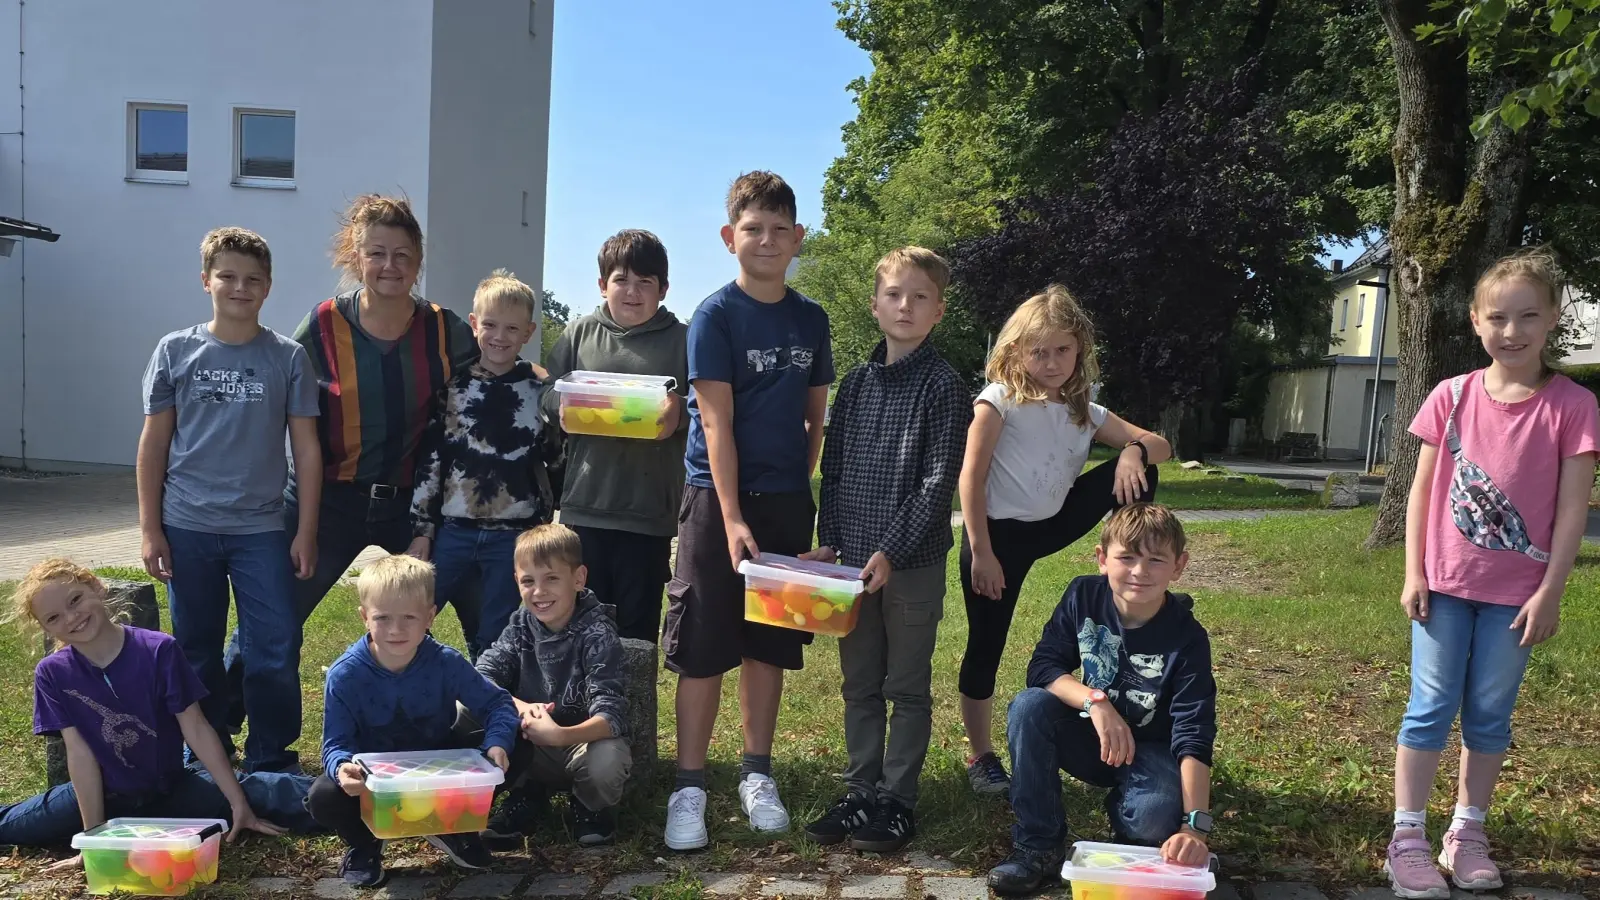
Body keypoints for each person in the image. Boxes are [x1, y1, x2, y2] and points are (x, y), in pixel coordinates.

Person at [222, 195, 479, 767]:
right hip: (328, 500)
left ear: (418, 261)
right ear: (355, 257)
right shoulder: (320, 326)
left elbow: (491, 382)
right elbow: (286, 412)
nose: (390, 266)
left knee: (484, 606)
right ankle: (227, 738)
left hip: (412, 507)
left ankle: (504, 737)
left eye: (403, 255)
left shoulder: (444, 329)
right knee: (271, 621)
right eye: (377, 254)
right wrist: (299, 523)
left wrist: (548, 387)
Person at [1383, 250, 1598, 900]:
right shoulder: (1450, 396)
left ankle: (1467, 832)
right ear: (1476, 321)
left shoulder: (1573, 405)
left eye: (1528, 316)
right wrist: (1412, 571)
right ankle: (1407, 837)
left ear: (1553, 318)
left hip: (1517, 598)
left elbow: (1571, 510)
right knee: (1429, 708)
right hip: (1442, 587)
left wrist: (1551, 590)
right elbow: (1421, 492)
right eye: (1498, 317)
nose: (1513, 330)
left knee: (1488, 714)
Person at [662, 171, 833, 851]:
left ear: (797, 238)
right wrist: (733, 517)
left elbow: (816, 412)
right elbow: (715, 424)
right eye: (752, 229)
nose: (765, 240)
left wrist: (800, 480)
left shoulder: (811, 318)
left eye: (778, 229)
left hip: (786, 503)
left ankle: (756, 774)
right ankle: (689, 785)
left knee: (769, 642)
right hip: (715, 503)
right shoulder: (716, 316)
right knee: (703, 645)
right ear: (731, 237)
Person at [956, 285, 1169, 795]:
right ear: (1016, 351)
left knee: (1144, 471)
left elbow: (1160, 444)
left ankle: (1123, 563)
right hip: (998, 538)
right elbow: (970, 478)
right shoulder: (1000, 401)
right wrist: (981, 553)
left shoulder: (1085, 410)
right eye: (1038, 351)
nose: (1051, 363)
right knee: (987, 643)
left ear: (1080, 350)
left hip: (1051, 523)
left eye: (1062, 350)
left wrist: (1132, 451)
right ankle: (981, 757)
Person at [800, 247, 971, 853]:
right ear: (875, 306)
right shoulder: (856, 383)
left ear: (938, 311)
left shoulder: (944, 387)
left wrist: (891, 551)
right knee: (859, 683)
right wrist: (835, 542)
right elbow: (836, 468)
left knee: (906, 685)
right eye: (895, 295)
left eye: (920, 297)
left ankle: (897, 800)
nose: (906, 306)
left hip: (912, 566)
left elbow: (936, 481)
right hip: (852, 565)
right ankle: (859, 790)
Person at [136, 226, 321, 773]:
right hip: (187, 525)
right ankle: (206, 751)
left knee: (275, 644)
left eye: (253, 280)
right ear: (206, 280)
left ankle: (271, 756)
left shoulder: (287, 358)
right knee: (196, 646)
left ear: (268, 288)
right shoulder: (175, 350)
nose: (240, 287)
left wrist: (304, 530)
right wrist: (150, 528)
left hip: (261, 528)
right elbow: (153, 444)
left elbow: (306, 451)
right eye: (228, 276)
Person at [0, 559, 314, 862]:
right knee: (12, 827)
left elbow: (196, 729)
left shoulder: (158, 650)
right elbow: (79, 755)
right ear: (44, 628)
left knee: (261, 796)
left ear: (97, 587)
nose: (71, 618)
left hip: (173, 791)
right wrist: (94, 838)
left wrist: (237, 803)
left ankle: (347, 793)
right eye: (53, 618)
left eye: (75, 600)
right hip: (100, 798)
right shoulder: (52, 673)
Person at [988, 505, 1216, 895]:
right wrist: (1096, 702)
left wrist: (1194, 826)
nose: (1139, 572)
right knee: (1029, 706)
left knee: (1150, 822)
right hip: (1095, 738)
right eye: (1126, 557)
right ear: (1102, 559)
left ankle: (1128, 814)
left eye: (1155, 560)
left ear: (1179, 566)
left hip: (1153, 750)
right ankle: (1038, 844)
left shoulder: (1188, 638)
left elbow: (1193, 732)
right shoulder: (1083, 595)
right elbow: (1044, 667)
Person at [305, 554, 519, 888]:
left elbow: (498, 704)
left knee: (519, 745)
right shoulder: (344, 674)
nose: (396, 629)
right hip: (375, 778)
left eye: (409, 617)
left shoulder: (446, 661)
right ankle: (365, 844)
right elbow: (335, 744)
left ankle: (452, 826)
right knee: (323, 795)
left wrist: (498, 744)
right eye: (383, 617)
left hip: (439, 765)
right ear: (364, 617)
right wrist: (341, 768)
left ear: (430, 616)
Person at [541, 229, 689, 643]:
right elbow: (547, 393)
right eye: (622, 280)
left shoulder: (683, 340)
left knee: (635, 634)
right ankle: (576, 708)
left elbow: (705, 409)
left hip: (648, 515)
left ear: (663, 289)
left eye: (646, 282)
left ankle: (630, 709)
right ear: (602, 284)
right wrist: (562, 407)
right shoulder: (580, 334)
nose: (632, 292)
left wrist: (679, 414)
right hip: (585, 507)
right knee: (576, 626)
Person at [408, 269, 553, 660]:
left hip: (514, 534)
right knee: (413, 611)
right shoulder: (453, 388)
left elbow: (553, 460)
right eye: (489, 325)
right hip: (454, 529)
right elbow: (432, 460)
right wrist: (423, 529)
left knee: (497, 634)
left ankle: (488, 710)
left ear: (529, 332)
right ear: (474, 324)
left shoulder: (539, 390)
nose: (499, 337)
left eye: (511, 328)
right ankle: (406, 686)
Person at [469, 524, 631, 849]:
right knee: (465, 711)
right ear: (517, 582)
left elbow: (612, 717)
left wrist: (560, 735)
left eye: (552, 578)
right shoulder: (520, 624)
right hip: (532, 739)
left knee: (608, 760)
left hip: (581, 743)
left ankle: (590, 805)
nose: (539, 592)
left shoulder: (598, 635)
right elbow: (480, 677)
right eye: (529, 581)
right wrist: (521, 707)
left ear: (579, 578)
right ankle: (525, 792)